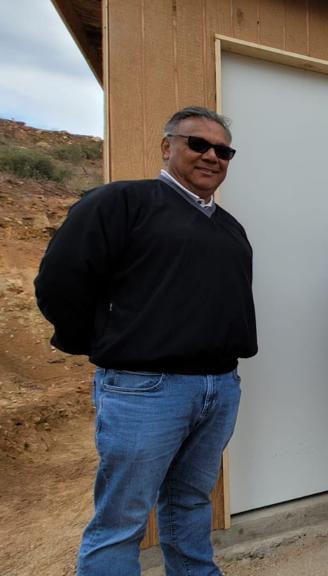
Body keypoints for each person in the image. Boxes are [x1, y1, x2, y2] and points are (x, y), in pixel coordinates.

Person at [35, 106, 257, 575]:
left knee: (191, 501)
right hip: (146, 389)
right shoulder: (122, 202)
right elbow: (60, 281)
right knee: (123, 518)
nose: (211, 156)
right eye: (198, 144)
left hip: (217, 387)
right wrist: (103, 342)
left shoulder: (230, 227)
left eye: (223, 150)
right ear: (167, 146)